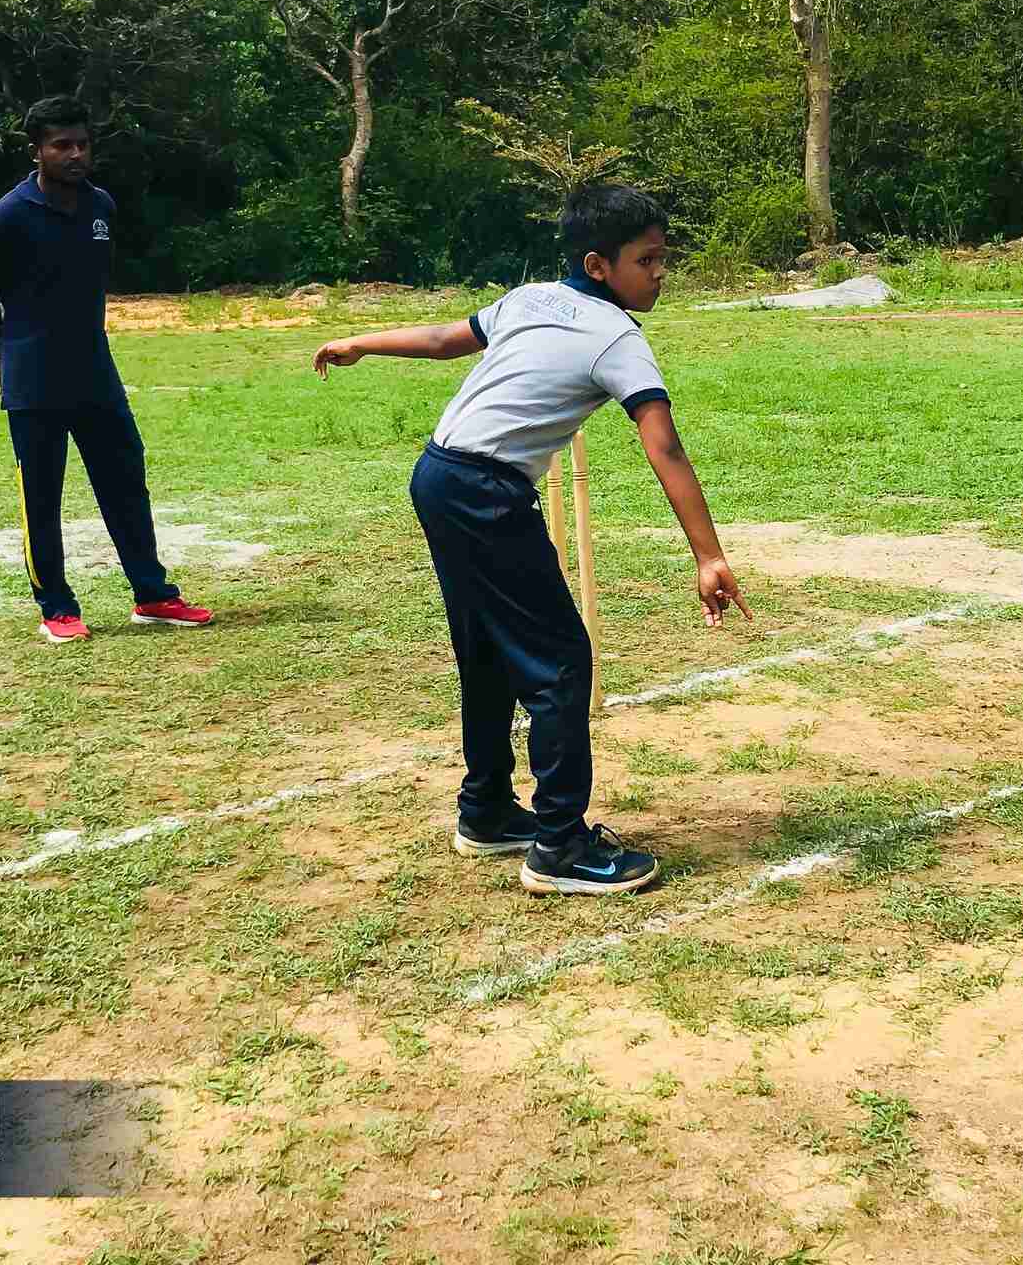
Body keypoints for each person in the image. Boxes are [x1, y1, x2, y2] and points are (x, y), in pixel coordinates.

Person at [312, 182, 750, 896]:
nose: (661, 272)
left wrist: (362, 342)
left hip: (439, 475)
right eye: (648, 260)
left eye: (663, 257)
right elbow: (663, 446)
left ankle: (486, 811)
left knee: (487, 651)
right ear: (599, 265)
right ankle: (560, 846)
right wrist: (708, 554)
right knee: (559, 664)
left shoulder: (532, 296)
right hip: (483, 492)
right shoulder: (616, 337)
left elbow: (443, 340)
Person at [0, 96, 212, 643]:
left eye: (82, 144)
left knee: (125, 480)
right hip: (33, 378)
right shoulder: (6, 217)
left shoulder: (100, 206)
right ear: (37, 152)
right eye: (62, 146)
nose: (75, 154)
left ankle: (152, 595)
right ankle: (56, 606)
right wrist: (0, 351)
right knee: (42, 493)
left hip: (96, 372)